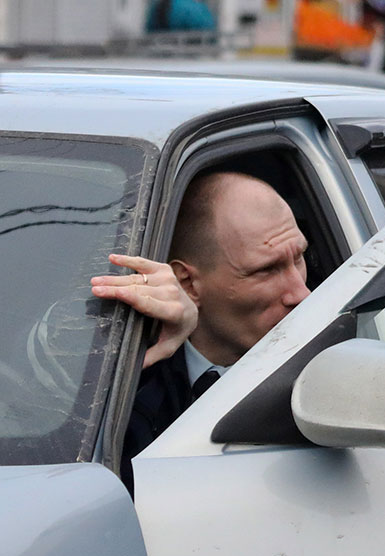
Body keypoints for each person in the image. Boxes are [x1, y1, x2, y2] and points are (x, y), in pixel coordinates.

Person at [91, 172, 311, 488]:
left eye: (299, 257)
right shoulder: (133, 369)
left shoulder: (325, 357)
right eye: (266, 270)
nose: (301, 293)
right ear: (187, 283)